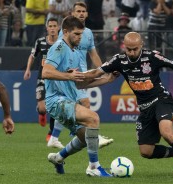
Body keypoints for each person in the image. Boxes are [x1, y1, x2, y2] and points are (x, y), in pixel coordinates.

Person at [77, 31, 173, 177]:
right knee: (146, 151)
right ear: (124, 46)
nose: (131, 52)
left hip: (161, 100)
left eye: (135, 49)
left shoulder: (151, 56)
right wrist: (77, 76)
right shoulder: (119, 60)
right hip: (144, 108)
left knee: (167, 133)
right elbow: (96, 73)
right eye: (128, 49)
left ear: (141, 45)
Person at [42, 16, 113, 176]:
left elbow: (79, 83)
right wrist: (69, 77)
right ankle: (93, 167)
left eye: (81, 34)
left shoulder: (74, 52)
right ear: (65, 32)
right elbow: (46, 72)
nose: (80, 37)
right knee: (93, 118)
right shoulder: (59, 46)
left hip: (67, 100)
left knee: (85, 138)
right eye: (76, 34)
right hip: (56, 100)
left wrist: (106, 80)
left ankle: (58, 157)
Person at [57, 1, 114, 149]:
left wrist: (103, 69)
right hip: (70, 75)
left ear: (87, 14)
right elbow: (59, 52)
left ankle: (59, 148)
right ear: (73, 13)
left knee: (76, 108)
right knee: (84, 104)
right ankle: (93, 137)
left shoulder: (87, 33)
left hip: (83, 74)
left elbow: (93, 53)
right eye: (78, 11)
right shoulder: (65, 33)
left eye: (83, 11)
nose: (81, 13)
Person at [23, 17, 63, 148]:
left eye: (54, 26)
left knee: (53, 107)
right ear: (47, 28)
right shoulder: (40, 42)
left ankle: (51, 133)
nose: (52, 28)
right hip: (42, 77)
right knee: (42, 108)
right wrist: (28, 69)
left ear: (58, 28)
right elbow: (32, 56)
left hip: (56, 78)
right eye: (50, 26)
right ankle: (41, 113)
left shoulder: (62, 42)